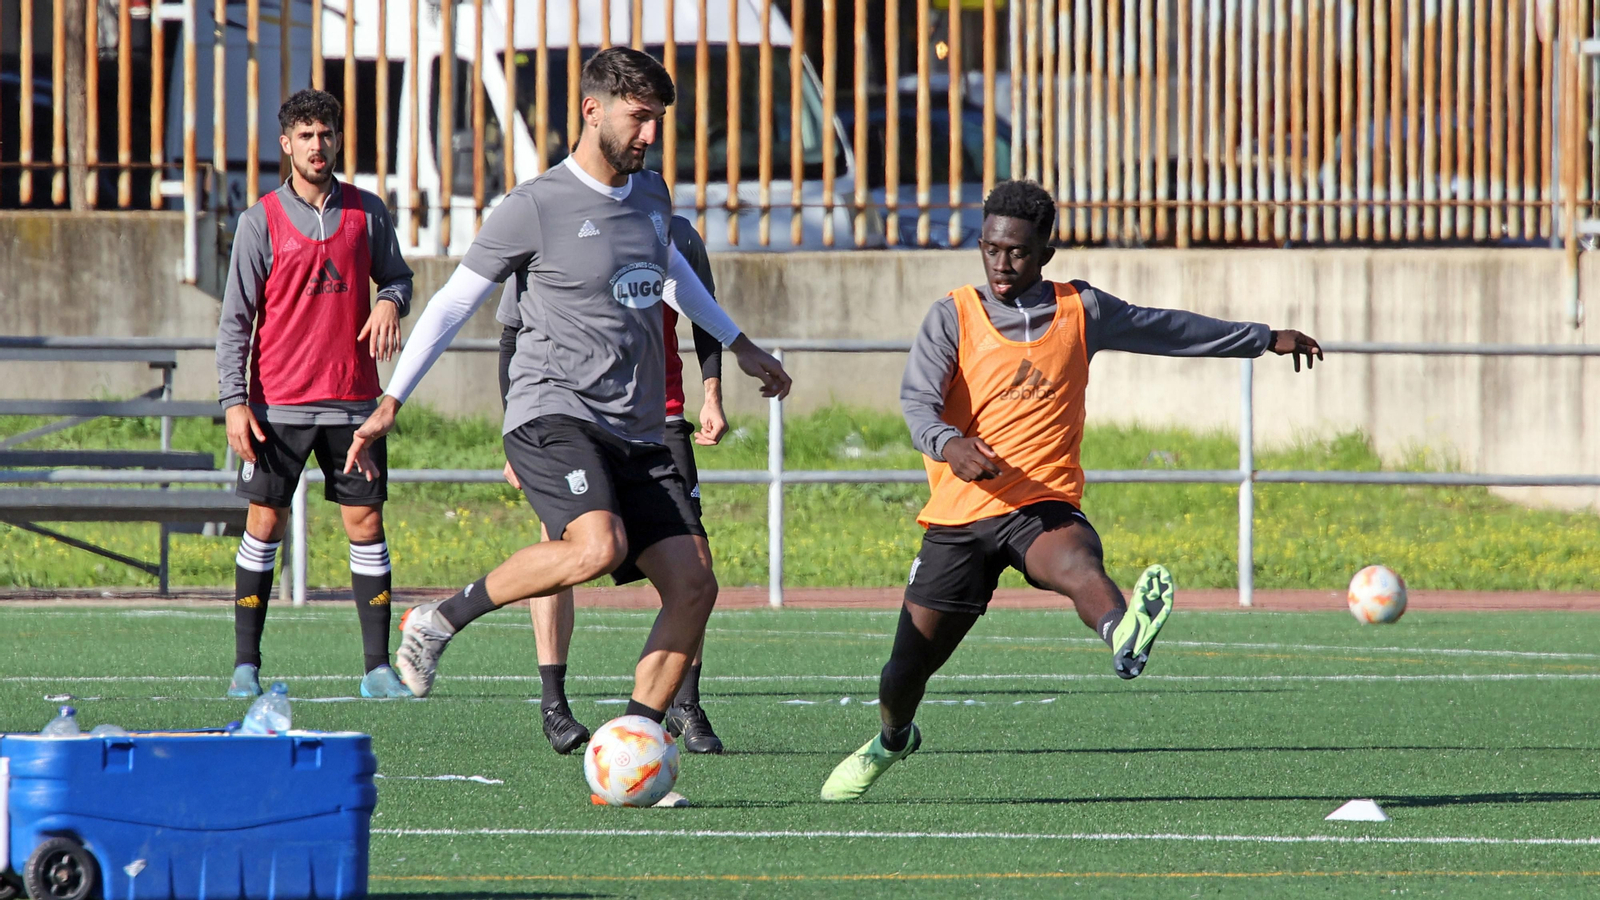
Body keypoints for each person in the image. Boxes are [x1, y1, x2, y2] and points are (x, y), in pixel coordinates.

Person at [342, 49, 791, 761]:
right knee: (596, 545)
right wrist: (393, 398)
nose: (650, 134)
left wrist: (737, 344)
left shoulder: (652, 195)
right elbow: (457, 301)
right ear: (593, 109)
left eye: (658, 120)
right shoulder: (535, 206)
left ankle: (631, 740)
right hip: (553, 410)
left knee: (695, 585)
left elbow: (670, 271)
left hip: (638, 426)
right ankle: (440, 618)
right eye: (639, 117)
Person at [820, 180, 1322, 801]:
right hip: (962, 514)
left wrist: (1264, 337)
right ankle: (892, 740)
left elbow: (1166, 328)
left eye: (1019, 253)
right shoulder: (953, 314)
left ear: (1046, 253)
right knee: (903, 673)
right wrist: (952, 446)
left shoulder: (1081, 309)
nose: (1003, 265)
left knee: (1079, 561)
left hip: (1041, 502)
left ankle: (1123, 631)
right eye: (992, 249)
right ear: (981, 244)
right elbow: (917, 404)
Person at [500, 215, 731, 756]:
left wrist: (713, 395)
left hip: (659, 425)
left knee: (693, 568)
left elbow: (707, 319)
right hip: (570, 423)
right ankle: (554, 704)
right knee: (564, 554)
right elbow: (511, 335)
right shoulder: (548, 227)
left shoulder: (675, 233)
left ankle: (684, 704)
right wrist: (515, 430)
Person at [215, 89, 415, 700]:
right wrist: (233, 402)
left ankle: (377, 670)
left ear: (336, 139)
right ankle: (246, 665)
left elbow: (401, 278)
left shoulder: (368, 212)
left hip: (355, 403)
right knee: (264, 521)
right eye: (305, 135)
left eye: (325, 133)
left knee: (365, 520)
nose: (317, 145)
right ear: (286, 144)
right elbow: (235, 321)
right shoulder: (260, 221)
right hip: (277, 405)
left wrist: (388, 300)